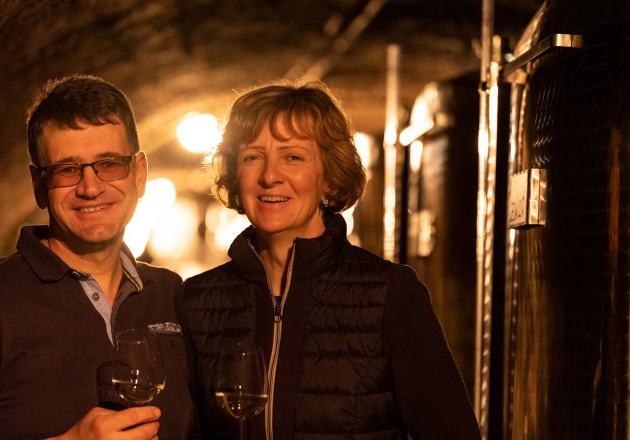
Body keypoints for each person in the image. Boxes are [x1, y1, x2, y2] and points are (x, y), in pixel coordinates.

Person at [176, 80, 481, 439]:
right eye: (252, 156)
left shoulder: (390, 293)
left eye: (293, 157)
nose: (270, 176)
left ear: (330, 180)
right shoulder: (196, 300)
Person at [0, 74, 195, 440]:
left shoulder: (173, 295)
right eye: (67, 170)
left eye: (109, 164)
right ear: (39, 185)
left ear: (139, 173)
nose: (90, 187)